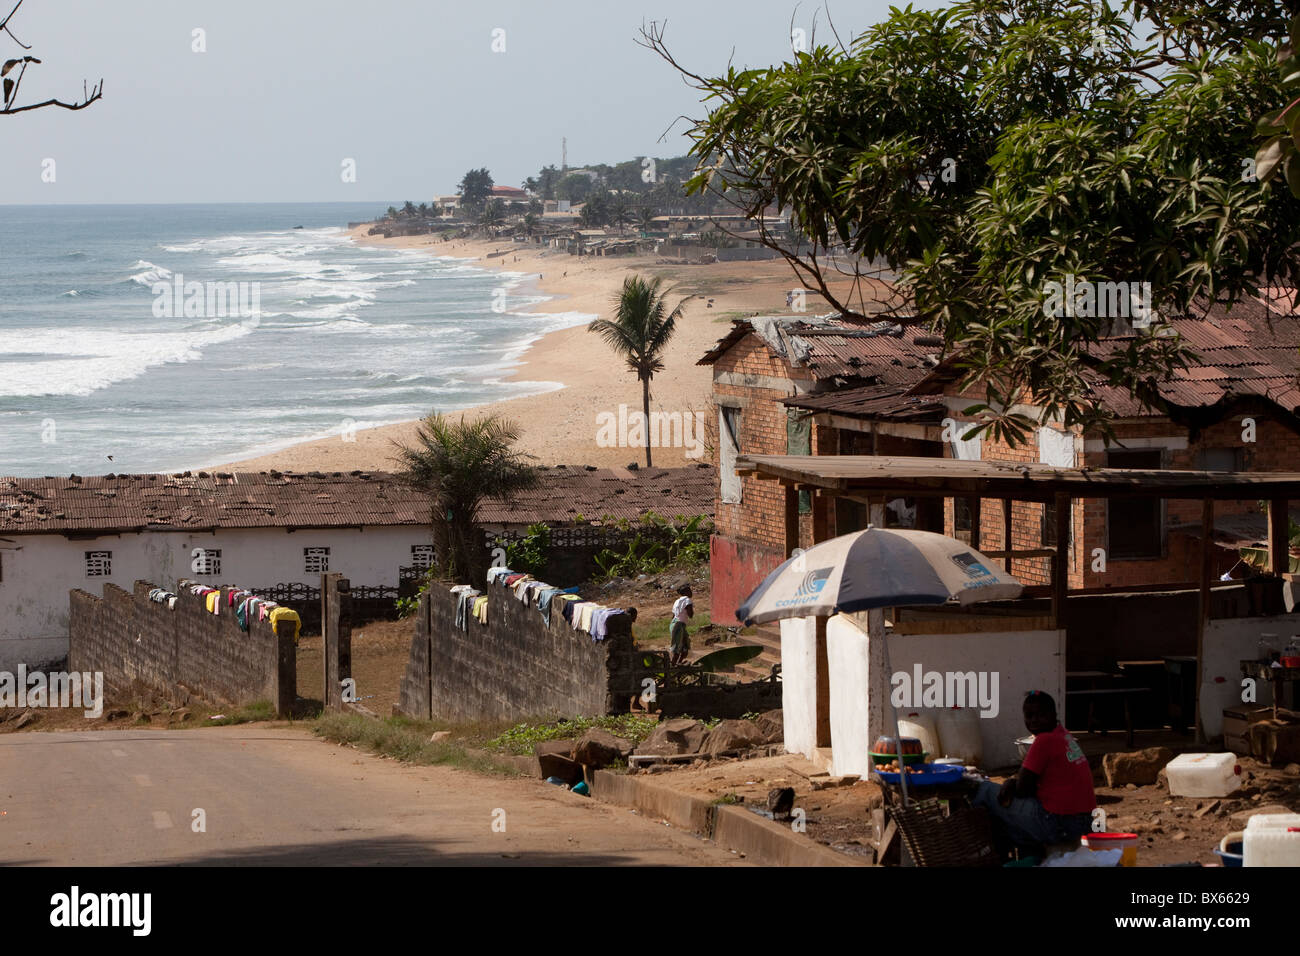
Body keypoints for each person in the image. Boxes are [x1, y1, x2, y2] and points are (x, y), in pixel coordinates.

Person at [971, 690, 1095, 858]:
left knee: (985, 790)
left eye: (1041, 715)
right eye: (1029, 716)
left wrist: (1011, 783)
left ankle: (969, 845)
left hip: (1059, 823)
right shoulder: (1064, 735)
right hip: (1084, 822)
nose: (1034, 720)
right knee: (1012, 828)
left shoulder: (1044, 740)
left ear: (1053, 714)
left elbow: (1023, 789)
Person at [669, 585, 694, 665]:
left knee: (684, 648)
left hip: (674, 624)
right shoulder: (688, 600)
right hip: (679, 625)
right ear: (686, 592)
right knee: (678, 651)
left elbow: (673, 616)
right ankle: (672, 668)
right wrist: (691, 609)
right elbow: (690, 615)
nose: (691, 592)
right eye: (689, 591)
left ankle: (677, 665)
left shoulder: (676, 601)